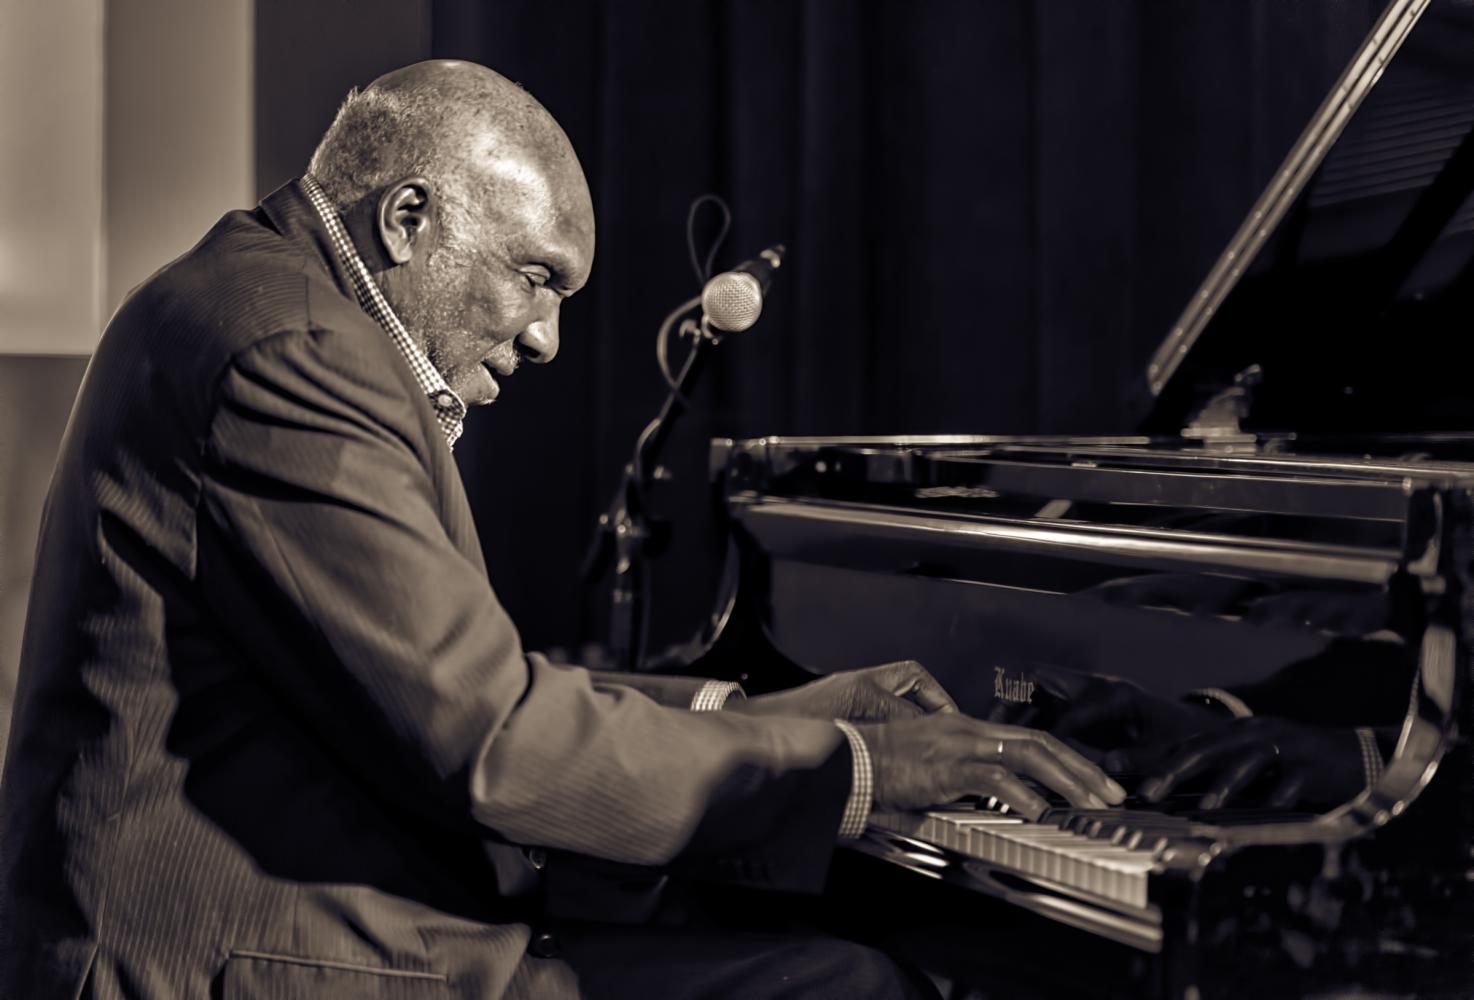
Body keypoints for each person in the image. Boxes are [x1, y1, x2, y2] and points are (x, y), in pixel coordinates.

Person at [0, 61, 1123, 999]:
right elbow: (493, 739)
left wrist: (762, 715)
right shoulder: (293, 354)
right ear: (407, 220)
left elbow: (454, 687)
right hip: (236, 958)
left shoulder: (261, 301)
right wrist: (858, 766)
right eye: (536, 278)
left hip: (299, 916)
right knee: (848, 984)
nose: (545, 339)